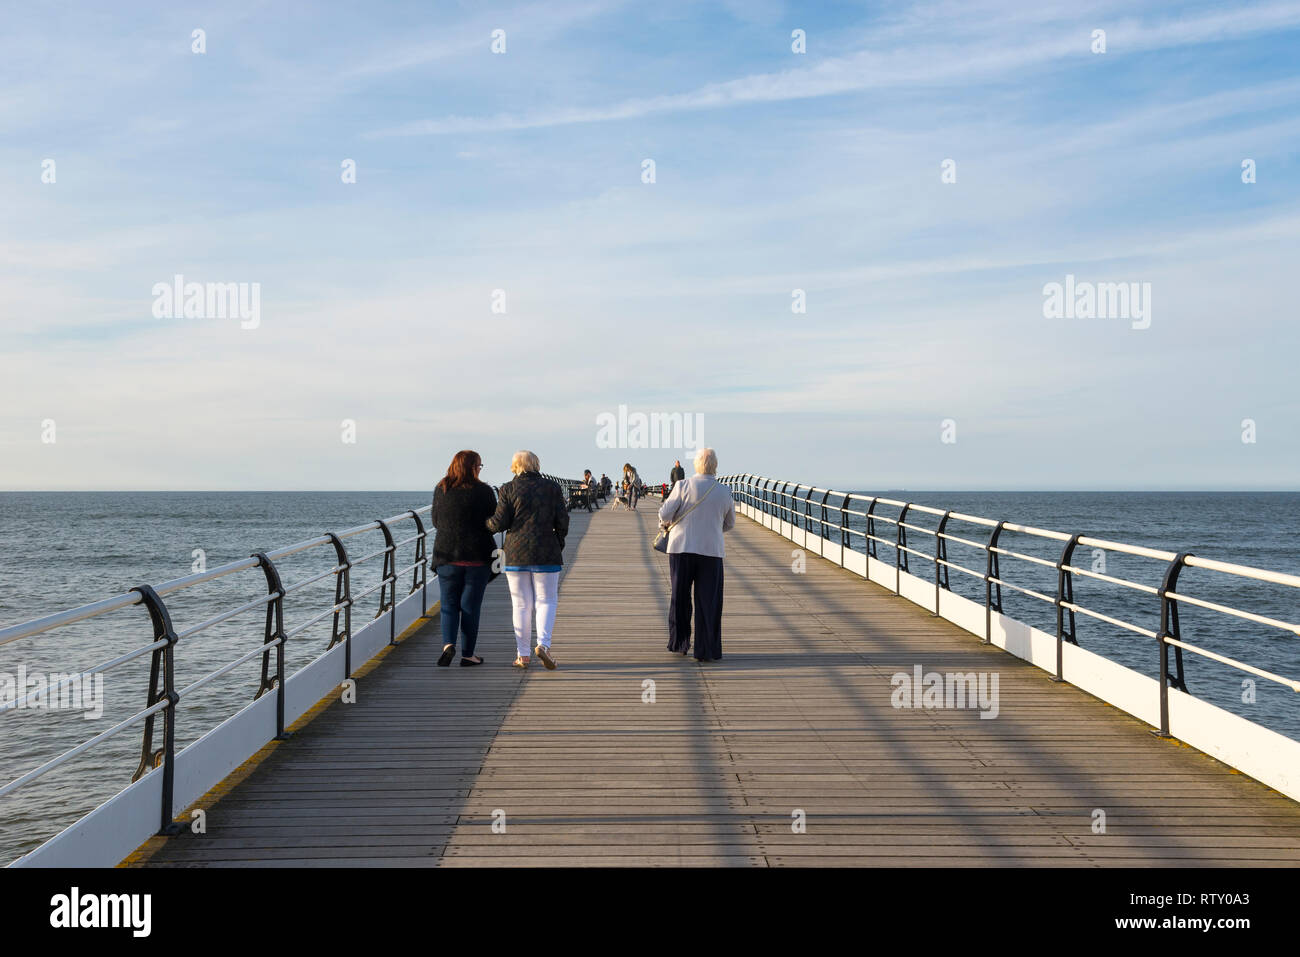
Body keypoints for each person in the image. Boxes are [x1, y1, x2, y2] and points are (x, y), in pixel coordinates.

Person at [487, 450, 568, 670]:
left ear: (515, 466)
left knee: (520, 604)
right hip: (546, 551)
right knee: (546, 600)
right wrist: (558, 542)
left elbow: (499, 523)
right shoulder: (552, 488)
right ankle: (543, 645)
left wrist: (484, 524)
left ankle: (522, 655)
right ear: (536, 465)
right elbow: (563, 519)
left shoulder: (507, 489)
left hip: (515, 553)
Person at [658, 447, 735, 662]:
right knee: (708, 601)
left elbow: (664, 513)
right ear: (715, 466)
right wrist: (711, 530)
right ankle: (706, 649)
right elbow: (730, 523)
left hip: (681, 548)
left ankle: (680, 643)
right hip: (711, 551)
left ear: (696, 465)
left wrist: (668, 523)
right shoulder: (724, 491)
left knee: (680, 597)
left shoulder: (683, 486)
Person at [430, 450, 496, 667]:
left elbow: (436, 521)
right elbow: (492, 522)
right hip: (477, 558)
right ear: (471, 467)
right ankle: (468, 655)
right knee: (470, 607)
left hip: (446, 556)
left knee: (448, 604)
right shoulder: (484, 491)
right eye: (479, 465)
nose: (479, 468)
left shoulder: (442, 488)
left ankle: (448, 645)